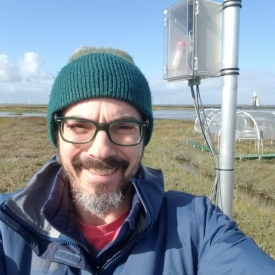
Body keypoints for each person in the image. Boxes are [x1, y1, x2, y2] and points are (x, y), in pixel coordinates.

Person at [0, 46, 274, 275]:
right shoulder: (7, 225)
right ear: (57, 134)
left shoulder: (197, 226)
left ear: (144, 135)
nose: (101, 150)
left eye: (124, 127)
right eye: (79, 126)